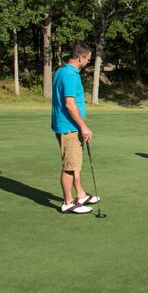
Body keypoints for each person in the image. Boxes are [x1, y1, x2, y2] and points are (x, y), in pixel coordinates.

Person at [51, 43, 100, 214]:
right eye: (88, 59)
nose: (88, 62)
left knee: (75, 163)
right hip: (69, 126)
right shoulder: (71, 75)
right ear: (81, 57)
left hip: (67, 125)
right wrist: (83, 126)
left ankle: (79, 195)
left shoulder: (61, 71)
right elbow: (70, 104)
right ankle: (68, 202)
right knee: (70, 166)